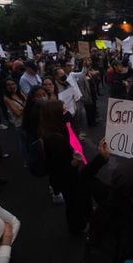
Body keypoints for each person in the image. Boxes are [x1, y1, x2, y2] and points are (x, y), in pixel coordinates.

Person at [37, 100, 110, 234]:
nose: (68, 113)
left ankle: (84, 216)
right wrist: (75, 162)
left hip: (66, 179)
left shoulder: (53, 131)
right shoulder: (55, 140)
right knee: (73, 203)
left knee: (76, 199)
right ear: (55, 116)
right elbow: (64, 171)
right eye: (64, 111)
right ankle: (77, 227)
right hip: (68, 181)